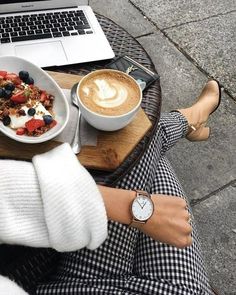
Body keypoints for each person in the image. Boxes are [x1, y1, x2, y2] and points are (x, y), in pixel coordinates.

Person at [0, 80, 221, 294]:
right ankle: (188, 121)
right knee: (144, 146)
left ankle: (186, 122)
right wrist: (134, 207)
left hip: (84, 279)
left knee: (139, 147)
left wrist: (126, 205)